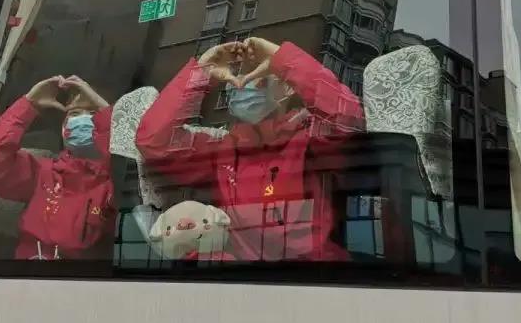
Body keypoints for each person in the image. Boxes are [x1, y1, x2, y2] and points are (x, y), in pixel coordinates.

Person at [136, 37, 363, 262]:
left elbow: (348, 120)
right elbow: (153, 141)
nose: (242, 83)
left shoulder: (310, 140)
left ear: (286, 87)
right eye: (236, 76)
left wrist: (282, 58)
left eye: (257, 75)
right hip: (242, 276)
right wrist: (202, 72)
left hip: (316, 276)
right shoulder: (222, 150)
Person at [0, 75, 115, 260]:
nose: (82, 120)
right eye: (74, 114)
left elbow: (135, 174)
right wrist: (29, 104)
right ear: (64, 128)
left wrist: (108, 114)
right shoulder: (44, 172)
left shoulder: (119, 180)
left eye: (93, 113)